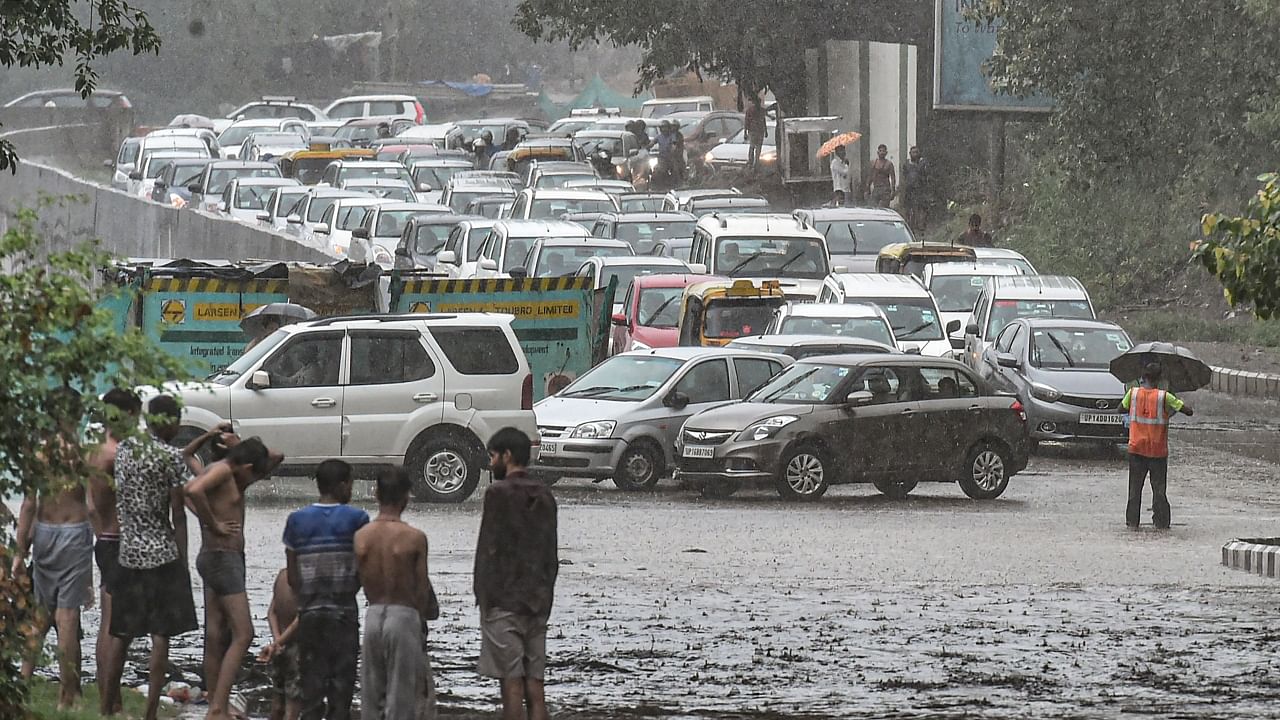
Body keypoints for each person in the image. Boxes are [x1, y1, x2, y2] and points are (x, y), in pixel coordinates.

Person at [109, 395, 223, 720]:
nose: (177, 428)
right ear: (166, 421)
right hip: (161, 555)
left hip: (128, 553)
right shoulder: (170, 457)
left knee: (121, 633)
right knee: (161, 636)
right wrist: (183, 561)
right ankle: (149, 713)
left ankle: (108, 703)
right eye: (176, 421)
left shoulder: (125, 450)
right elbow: (179, 514)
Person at [186, 436, 282, 720]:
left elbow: (277, 456)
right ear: (246, 466)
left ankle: (217, 704)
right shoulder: (223, 470)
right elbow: (192, 490)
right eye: (253, 471)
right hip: (221, 559)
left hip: (223, 559)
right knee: (244, 633)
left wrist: (239, 443)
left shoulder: (235, 475)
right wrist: (212, 523)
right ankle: (217, 707)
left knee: (216, 635)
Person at [12, 392, 94, 710]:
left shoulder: (39, 452)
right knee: (68, 616)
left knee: (41, 614)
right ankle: (66, 695)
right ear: (74, 417)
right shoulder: (81, 454)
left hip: (44, 533)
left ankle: (22, 682)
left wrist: (21, 552)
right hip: (73, 533)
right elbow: (91, 504)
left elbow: (29, 504)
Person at [474, 428, 558, 720]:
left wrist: (483, 598)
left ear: (506, 456)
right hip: (537, 602)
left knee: (510, 684)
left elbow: (488, 550)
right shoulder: (545, 495)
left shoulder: (497, 494)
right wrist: (546, 597)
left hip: (504, 603)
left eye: (493, 457)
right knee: (535, 684)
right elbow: (551, 556)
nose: (490, 463)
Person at [283, 460, 370, 720]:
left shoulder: (296, 520)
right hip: (344, 613)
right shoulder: (358, 519)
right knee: (341, 691)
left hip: (309, 615)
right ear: (343, 485)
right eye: (351, 484)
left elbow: (292, 573)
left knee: (311, 689)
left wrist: (305, 597)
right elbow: (363, 565)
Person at [355, 468, 432, 720]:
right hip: (404, 614)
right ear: (407, 497)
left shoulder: (361, 536)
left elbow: (357, 580)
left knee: (371, 694)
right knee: (401, 698)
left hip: (374, 613)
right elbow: (421, 588)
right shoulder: (414, 538)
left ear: (376, 494)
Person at [86, 387, 143, 716]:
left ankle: (111, 697)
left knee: (109, 623)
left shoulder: (94, 451)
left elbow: (92, 505)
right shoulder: (118, 454)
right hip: (120, 541)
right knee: (119, 626)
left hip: (104, 539)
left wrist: (99, 534)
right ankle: (110, 703)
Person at [1121, 363, 1194, 530]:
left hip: (1137, 449)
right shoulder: (1164, 397)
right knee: (1159, 490)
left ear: (1143, 377)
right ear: (1160, 379)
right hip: (1157, 451)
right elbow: (1188, 411)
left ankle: (1132, 522)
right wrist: (1172, 406)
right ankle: (1161, 522)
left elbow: (1120, 409)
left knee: (1134, 490)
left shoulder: (1133, 394)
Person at [261, 568, 303, 720]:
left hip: (278, 649)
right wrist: (279, 641)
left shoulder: (281, 575)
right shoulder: (304, 578)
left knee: (278, 704)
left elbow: (271, 612)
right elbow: (301, 618)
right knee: (292, 706)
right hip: (297, 649)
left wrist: (276, 640)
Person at [901, 145, 929, 231]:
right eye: (913, 152)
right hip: (909, 190)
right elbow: (904, 176)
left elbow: (926, 175)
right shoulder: (906, 164)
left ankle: (920, 225)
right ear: (910, 153)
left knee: (921, 208)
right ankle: (910, 225)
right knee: (909, 208)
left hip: (920, 189)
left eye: (917, 152)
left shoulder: (923, 163)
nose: (915, 154)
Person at [745, 95, 766, 169]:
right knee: (753, 146)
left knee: (757, 148)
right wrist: (745, 132)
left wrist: (765, 131)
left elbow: (764, 121)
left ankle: (756, 162)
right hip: (753, 131)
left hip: (759, 131)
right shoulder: (750, 110)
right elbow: (746, 121)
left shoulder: (762, 110)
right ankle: (751, 161)